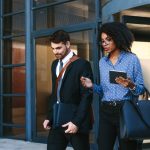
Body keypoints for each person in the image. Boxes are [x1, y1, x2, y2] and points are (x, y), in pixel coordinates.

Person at [80, 22, 145, 150]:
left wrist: (130, 85)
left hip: (125, 110)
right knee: (103, 146)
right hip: (106, 111)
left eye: (108, 40)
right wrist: (92, 85)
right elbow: (104, 91)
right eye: (102, 41)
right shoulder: (102, 62)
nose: (105, 44)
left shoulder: (132, 59)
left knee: (127, 147)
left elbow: (140, 89)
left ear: (118, 38)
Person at [43, 30, 93, 150]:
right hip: (57, 120)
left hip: (75, 121)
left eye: (59, 48)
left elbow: (86, 96)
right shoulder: (54, 64)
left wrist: (76, 122)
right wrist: (49, 116)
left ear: (68, 44)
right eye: (53, 48)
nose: (56, 52)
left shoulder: (82, 64)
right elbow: (55, 93)